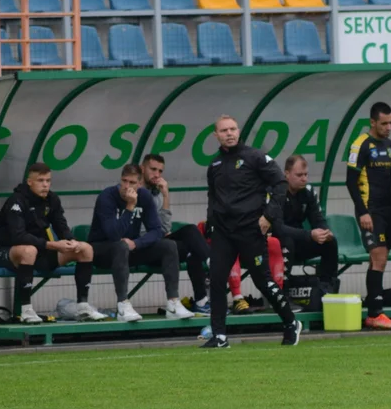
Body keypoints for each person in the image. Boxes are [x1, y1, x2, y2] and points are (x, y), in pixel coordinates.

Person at [203, 115, 301, 348]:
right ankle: (219, 336)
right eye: (224, 130)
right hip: (224, 233)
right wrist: (211, 224)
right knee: (216, 280)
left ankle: (290, 322)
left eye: (233, 129)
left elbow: (280, 184)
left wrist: (268, 216)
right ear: (216, 135)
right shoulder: (215, 165)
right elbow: (212, 197)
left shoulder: (255, 157)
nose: (229, 133)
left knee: (262, 281)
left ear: (238, 131)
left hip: (250, 230)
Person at [0, 163, 105, 325]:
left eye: (48, 181)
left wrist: (71, 241)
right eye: (40, 180)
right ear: (29, 182)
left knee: (85, 249)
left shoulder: (52, 199)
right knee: (29, 251)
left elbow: (61, 225)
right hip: (7, 252)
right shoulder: (16, 201)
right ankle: (26, 310)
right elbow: (18, 236)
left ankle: (83, 306)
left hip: (41, 251)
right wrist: (53, 245)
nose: (45, 185)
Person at [88, 164, 195, 323]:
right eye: (124, 181)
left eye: (132, 183)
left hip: (129, 249)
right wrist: (130, 206)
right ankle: (123, 305)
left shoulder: (144, 196)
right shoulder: (107, 197)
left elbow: (156, 230)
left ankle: (173, 303)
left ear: (139, 184)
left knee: (168, 246)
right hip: (101, 251)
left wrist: (137, 243)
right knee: (120, 246)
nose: (126, 186)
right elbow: (113, 234)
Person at [347, 102, 391, 329]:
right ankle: (375, 313)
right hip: (370, 211)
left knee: (381, 260)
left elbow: (389, 182)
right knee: (378, 258)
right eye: (384, 123)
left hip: (387, 211)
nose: (389, 127)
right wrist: (363, 212)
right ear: (372, 122)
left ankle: (375, 312)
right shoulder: (360, 145)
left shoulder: (390, 145)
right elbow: (350, 181)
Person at [141, 153, 212, 314]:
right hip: (143, 246)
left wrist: (165, 195)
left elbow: (165, 228)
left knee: (191, 238)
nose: (157, 175)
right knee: (186, 237)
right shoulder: (134, 192)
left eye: (160, 171)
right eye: (153, 169)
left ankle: (201, 301)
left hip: (161, 243)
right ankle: (213, 264)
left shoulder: (157, 193)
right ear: (142, 169)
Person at [275, 154, 338, 289]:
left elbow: (317, 218)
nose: (304, 179)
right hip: (276, 243)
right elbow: (277, 227)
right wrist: (309, 234)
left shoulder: (308, 192)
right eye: (299, 175)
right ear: (287, 174)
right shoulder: (276, 192)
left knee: (330, 242)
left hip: (299, 241)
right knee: (287, 241)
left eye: (306, 174)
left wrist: (325, 231)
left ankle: (326, 286)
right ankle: (283, 290)